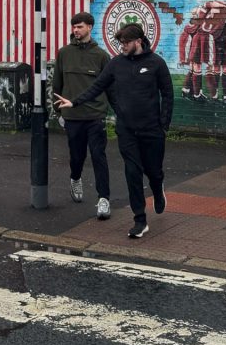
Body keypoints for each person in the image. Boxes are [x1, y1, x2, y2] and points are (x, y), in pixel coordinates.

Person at [54, 22, 173, 240]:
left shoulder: (156, 63)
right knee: (132, 172)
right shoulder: (117, 64)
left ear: (138, 41)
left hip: (152, 130)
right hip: (126, 130)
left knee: (153, 171)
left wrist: (164, 125)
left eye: (126, 43)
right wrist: (75, 102)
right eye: (120, 43)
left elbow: (167, 94)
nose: (122, 47)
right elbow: (97, 86)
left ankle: (158, 188)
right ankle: (140, 220)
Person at [51, 11, 112, 219]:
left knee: (99, 156)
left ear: (90, 28)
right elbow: (57, 84)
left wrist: (111, 112)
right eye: (74, 27)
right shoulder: (64, 53)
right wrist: (58, 110)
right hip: (72, 116)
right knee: (77, 157)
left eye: (80, 26)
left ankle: (103, 199)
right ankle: (75, 178)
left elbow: (109, 86)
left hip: (95, 116)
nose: (76, 30)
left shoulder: (101, 56)